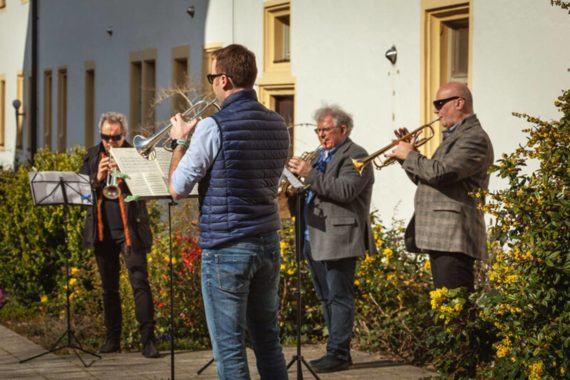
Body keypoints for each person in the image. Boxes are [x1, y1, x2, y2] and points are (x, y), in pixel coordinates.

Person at [168, 44, 289, 380]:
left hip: (227, 247)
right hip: (267, 242)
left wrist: (180, 142)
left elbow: (177, 187)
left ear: (223, 79)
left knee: (230, 348)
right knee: (268, 341)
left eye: (211, 77)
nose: (211, 85)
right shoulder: (278, 123)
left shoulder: (212, 126)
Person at [287, 105, 375, 373]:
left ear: (343, 130)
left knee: (339, 297)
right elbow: (311, 189)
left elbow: (346, 190)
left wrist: (309, 174)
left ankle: (339, 353)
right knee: (326, 298)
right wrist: (293, 186)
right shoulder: (318, 156)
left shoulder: (356, 155)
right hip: (312, 235)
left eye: (325, 130)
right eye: (317, 130)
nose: (320, 136)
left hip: (339, 236)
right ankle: (334, 351)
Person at [386, 82, 494, 291]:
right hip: (442, 236)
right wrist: (405, 157)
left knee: (456, 311)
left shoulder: (474, 138)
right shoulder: (456, 137)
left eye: (440, 103)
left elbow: (440, 173)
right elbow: (426, 179)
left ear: (459, 103)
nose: (436, 110)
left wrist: (410, 155)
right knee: (447, 309)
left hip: (453, 236)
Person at [80, 112, 159, 358]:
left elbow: (148, 186)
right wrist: (98, 178)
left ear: (123, 135)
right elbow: (81, 195)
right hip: (102, 232)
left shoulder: (135, 154)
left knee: (140, 284)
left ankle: (148, 341)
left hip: (130, 231)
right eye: (105, 137)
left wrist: (125, 174)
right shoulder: (92, 156)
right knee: (109, 289)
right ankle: (112, 339)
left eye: (115, 137)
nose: (110, 142)